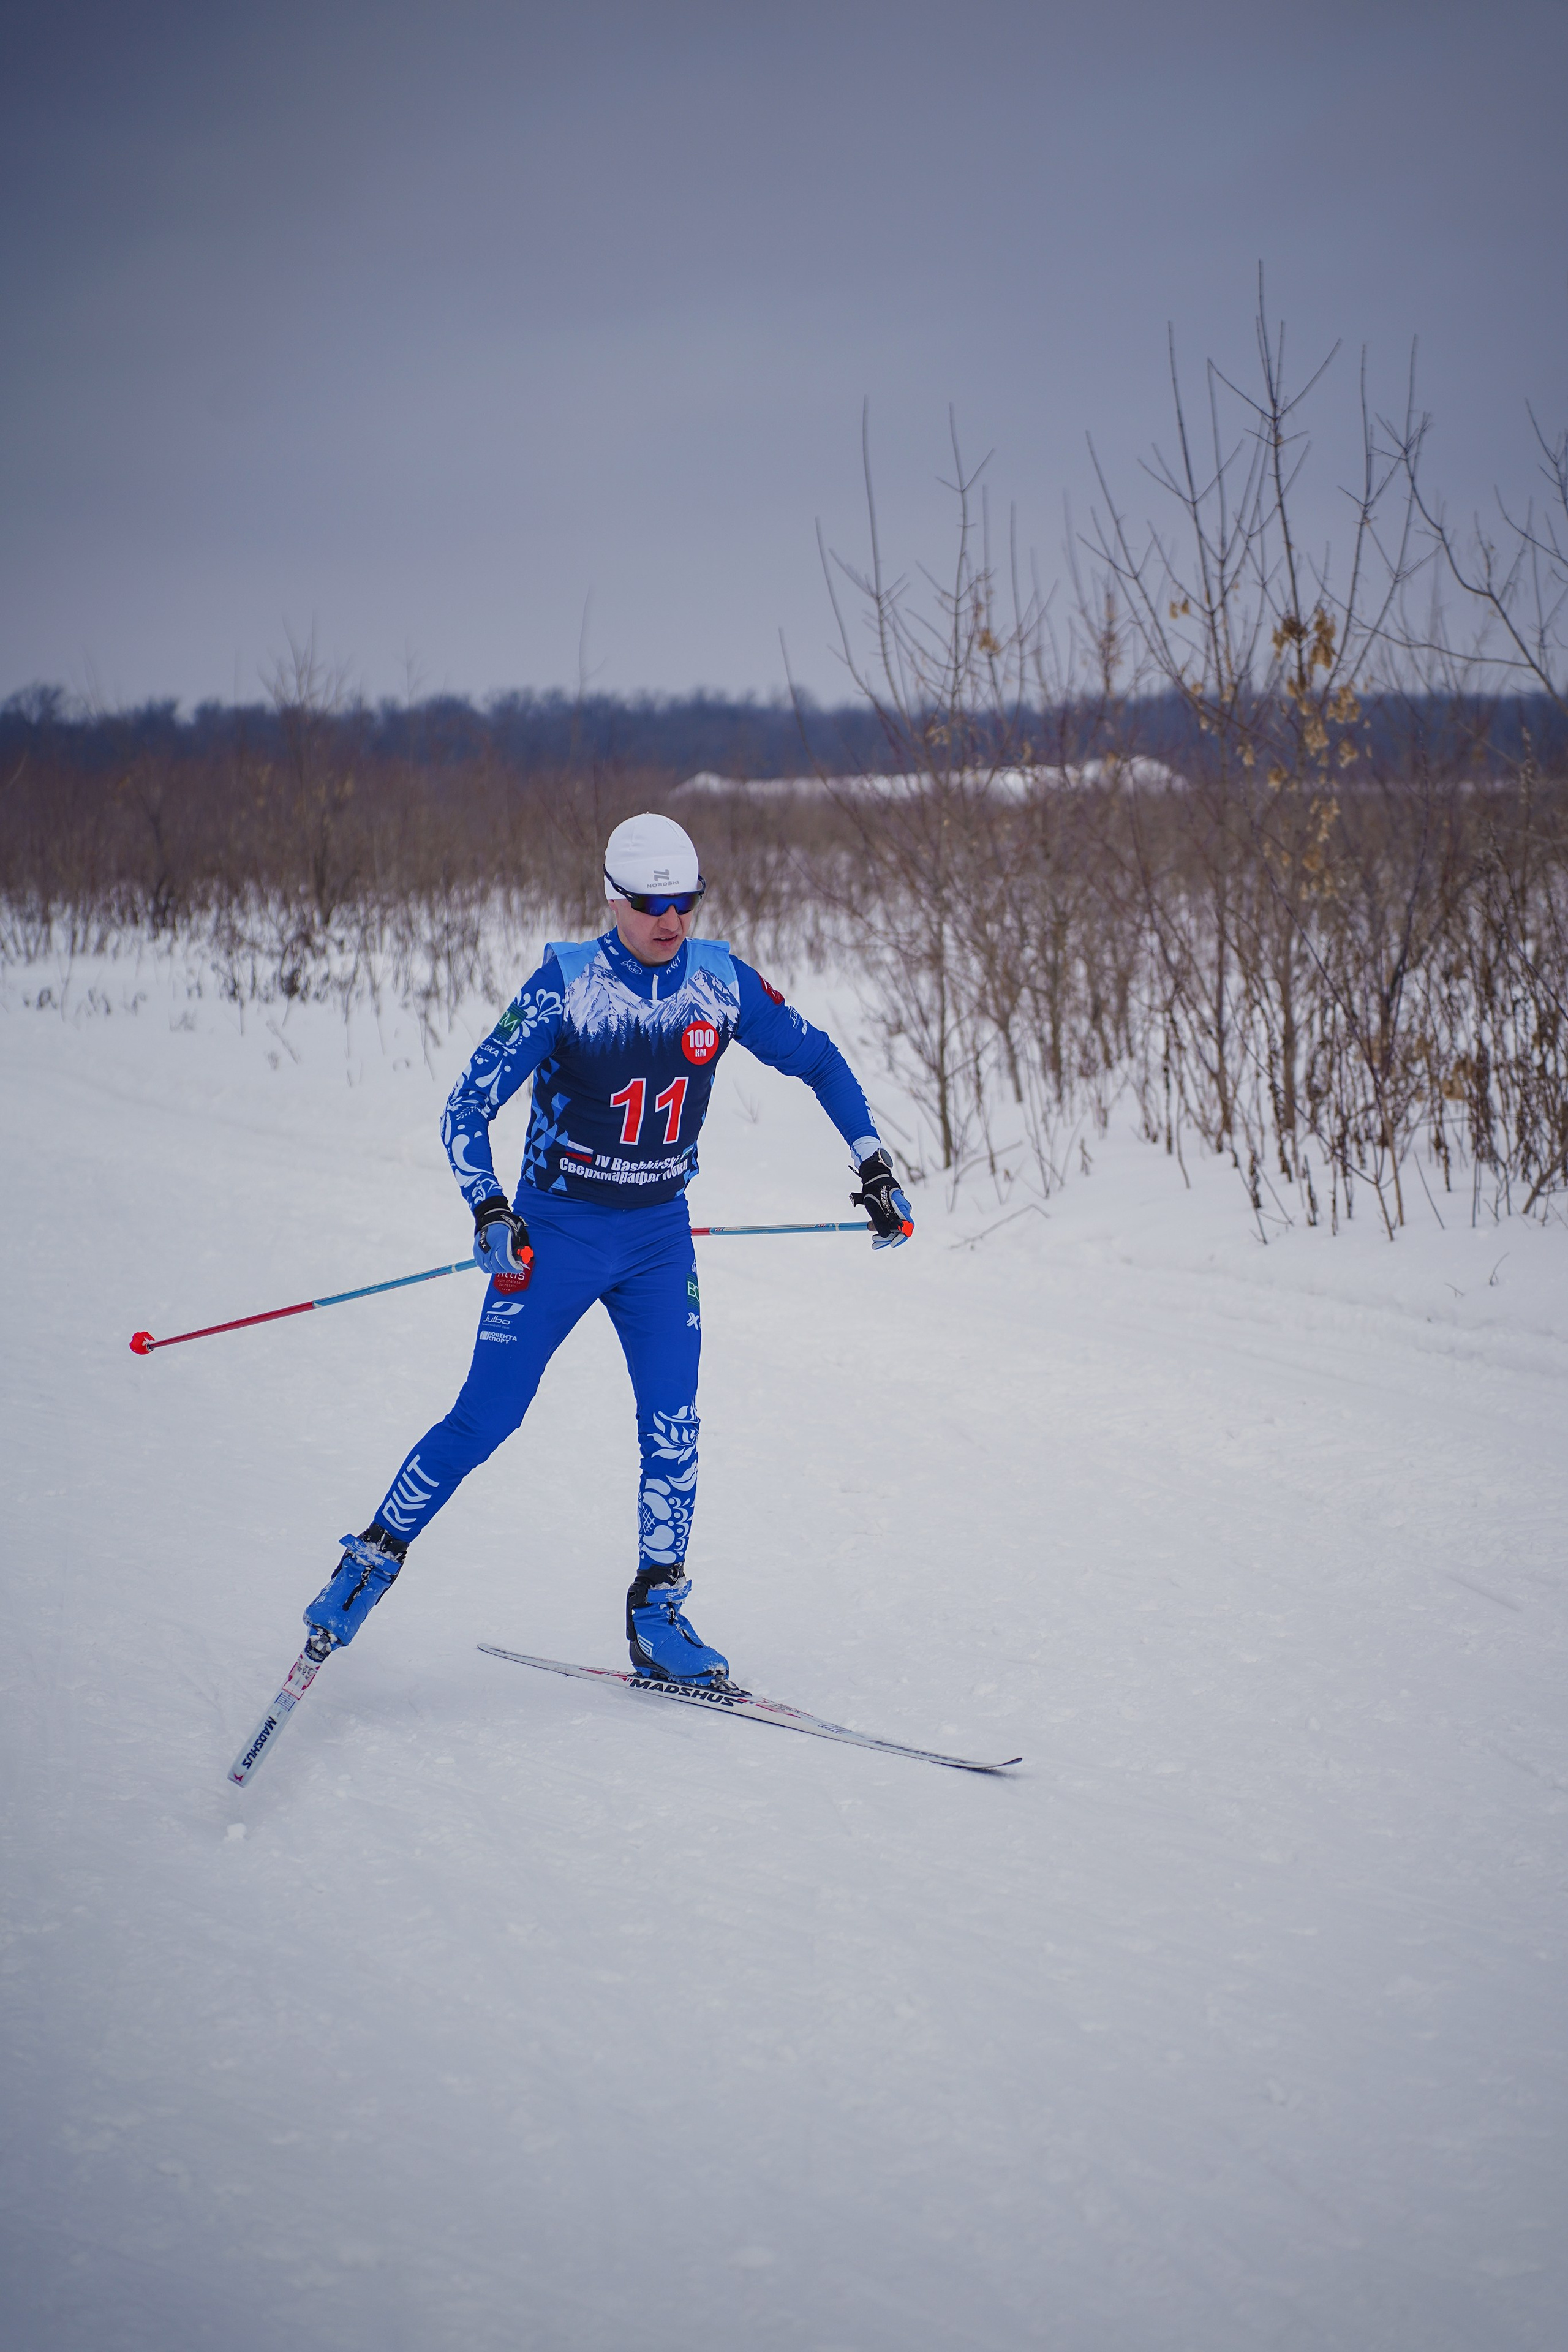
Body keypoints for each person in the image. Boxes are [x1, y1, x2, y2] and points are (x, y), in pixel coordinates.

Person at [301, 812, 913, 1687]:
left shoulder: (720, 982)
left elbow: (818, 1060)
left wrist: (873, 1164)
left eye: (685, 903)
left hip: (659, 1239)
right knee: (487, 1418)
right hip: (555, 1236)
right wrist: (489, 1209)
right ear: (613, 900)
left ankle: (657, 1613)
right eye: (650, 903)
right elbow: (465, 1107)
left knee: (674, 1427)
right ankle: (368, 1563)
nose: (670, 921)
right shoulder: (565, 985)